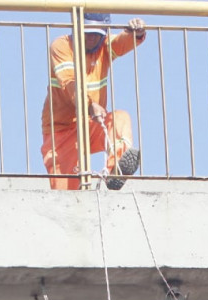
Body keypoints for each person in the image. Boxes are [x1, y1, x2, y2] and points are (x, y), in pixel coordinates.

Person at [41, 12, 145, 190]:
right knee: (67, 193)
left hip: (91, 124)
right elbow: (69, 83)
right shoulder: (61, 46)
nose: (90, 38)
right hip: (60, 129)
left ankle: (116, 170)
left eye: (96, 33)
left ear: (104, 32)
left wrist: (136, 32)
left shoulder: (104, 46)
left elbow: (121, 42)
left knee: (119, 119)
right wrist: (89, 105)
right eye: (86, 32)